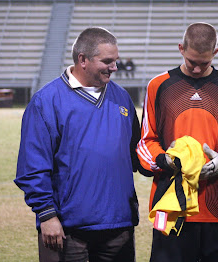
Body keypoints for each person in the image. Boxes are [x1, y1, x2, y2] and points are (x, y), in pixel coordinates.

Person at [14, 27, 141, 262]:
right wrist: (47, 215)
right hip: (67, 230)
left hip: (118, 226)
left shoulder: (121, 97)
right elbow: (32, 167)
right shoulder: (46, 101)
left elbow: (138, 153)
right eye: (107, 61)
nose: (114, 67)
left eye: (116, 61)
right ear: (83, 60)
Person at [137, 22, 218, 262]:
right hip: (168, 203)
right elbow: (147, 140)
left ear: (216, 53)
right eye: (191, 62)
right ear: (180, 48)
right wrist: (164, 160)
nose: (197, 69)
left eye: (204, 63)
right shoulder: (157, 86)